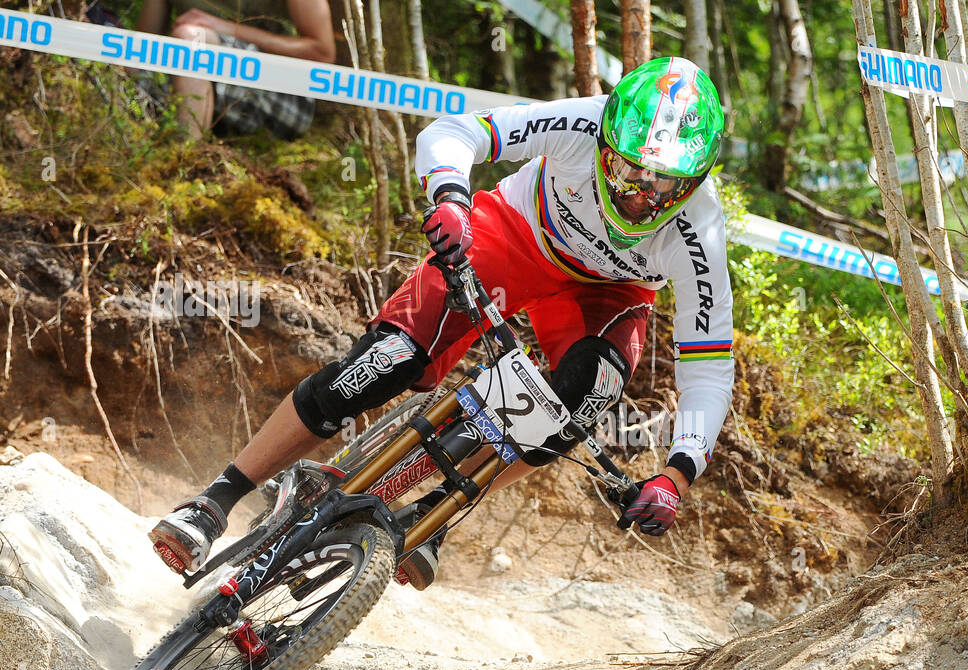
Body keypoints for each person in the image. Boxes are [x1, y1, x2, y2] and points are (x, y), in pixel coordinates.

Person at [150, 56, 734, 587]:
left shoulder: (698, 230)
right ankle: (215, 500)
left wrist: (677, 474)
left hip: (611, 294)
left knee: (585, 395)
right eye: (632, 174)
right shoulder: (583, 121)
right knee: (386, 362)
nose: (643, 198)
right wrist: (451, 198)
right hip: (519, 235)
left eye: (668, 187)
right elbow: (456, 132)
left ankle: (436, 514)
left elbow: (708, 365)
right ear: (606, 138)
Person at [135, 0, 335, 139]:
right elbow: (140, 51)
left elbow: (321, 53)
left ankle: (184, 158)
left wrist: (227, 28)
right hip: (199, 87)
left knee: (192, 39)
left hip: (284, 90)